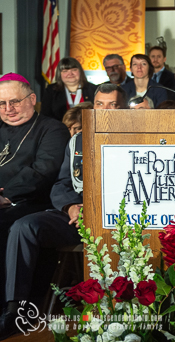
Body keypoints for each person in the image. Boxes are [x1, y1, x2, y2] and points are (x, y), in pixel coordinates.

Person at [0, 84, 127, 335]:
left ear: (123, 108)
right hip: (75, 215)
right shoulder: (78, 140)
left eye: (112, 104)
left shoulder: (143, 136)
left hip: (116, 217)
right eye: (99, 104)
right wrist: (70, 206)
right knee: (24, 227)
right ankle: (16, 311)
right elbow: (61, 183)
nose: (104, 110)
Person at [0, 73, 71, 307]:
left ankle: (11, 307)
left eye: (15, 101)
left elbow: (42, 171)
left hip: (33, 204)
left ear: (31, 99)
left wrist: (5, 195)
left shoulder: (52, 129)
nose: (8, 108)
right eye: (2, 103)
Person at [40, 58, 97, 122]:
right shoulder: (51, 90)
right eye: (65, 71)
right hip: (59, 129)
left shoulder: (94, 89)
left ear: (80, 71)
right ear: (59, 74)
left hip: (88, 127)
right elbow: (45, 115)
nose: (70, 73)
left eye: (74, 70)